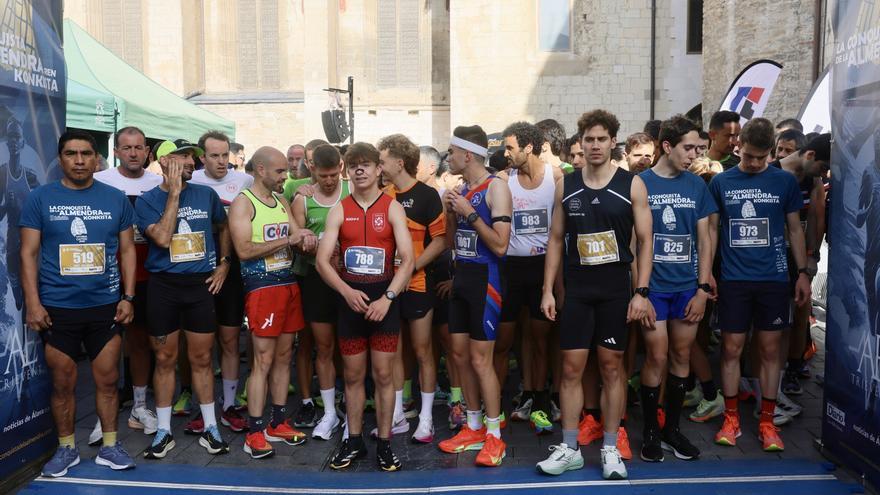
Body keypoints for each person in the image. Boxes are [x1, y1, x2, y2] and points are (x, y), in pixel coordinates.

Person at [536, 109, 654, 480]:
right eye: (589, 139)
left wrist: (642, 292)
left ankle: (608, 447)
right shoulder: (565, 186)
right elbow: (555, 240)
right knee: (570, 369)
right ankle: (570, 448)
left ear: (613, 142)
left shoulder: (631, 184)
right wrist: (548, 291)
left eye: (602, 139)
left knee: (611, 369)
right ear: (580, 143)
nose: (596, 145)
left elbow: (647, 241)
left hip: (615, 291)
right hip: (578, 290)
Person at [21, 130, 137, 476]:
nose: (80, 160)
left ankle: (110, 446)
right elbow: (27, 254)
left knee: (106, 382)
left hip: (105, 307)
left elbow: (129, 250)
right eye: (71, 153)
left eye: (86, 153)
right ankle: (67, 449)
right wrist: (33, 303)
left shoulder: (115, 198)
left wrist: (129, 297)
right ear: (60, 158)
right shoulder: (41, 199)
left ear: (97, 159)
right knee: (63, 383)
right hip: (58, 308)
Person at [708, 118, 812, 453]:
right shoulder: (722, 181)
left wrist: (803, 273)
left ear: (771, 152)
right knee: (731, 348)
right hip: (734, 280)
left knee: (769, 351)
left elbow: (795, 229)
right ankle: (732, 418)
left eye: (761, 157)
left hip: (772, 279)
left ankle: (767, 421)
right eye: (749, 156)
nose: (754, 163)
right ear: (739, 148)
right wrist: (707, 273)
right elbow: (711, 231)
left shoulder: (784, 181)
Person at [317, 142, 414, 472]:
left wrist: (388, 298)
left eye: (366, 164)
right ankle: (354, 439)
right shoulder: (340, 209)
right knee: (354, 377)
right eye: (353, 165)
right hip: (352, 303)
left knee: (384, 375)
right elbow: (321, 261)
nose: (359, 169)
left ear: (378, 169)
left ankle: (385, 443)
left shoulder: (392, 208)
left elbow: (408, 260)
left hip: (383, 302)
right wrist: (345, 291)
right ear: (348, 170)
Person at [136, 139, 232, 459]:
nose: (192, 162)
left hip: (199, 286)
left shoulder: (207, 194)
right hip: (164, 287)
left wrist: (224, 264)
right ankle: (164, 430)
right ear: (164, 162)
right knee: (164, 359)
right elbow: (162, 239)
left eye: (193, 157)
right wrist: (174, 193)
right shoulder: (148, 200)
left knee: (203, 360)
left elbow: (224, 226)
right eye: (183, 157)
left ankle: (210, 427)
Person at [228, 146, 316, 459]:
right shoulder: (243, 203)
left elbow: (297, 238)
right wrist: (288, 240)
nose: (285, 176)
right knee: (262, 362)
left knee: (283, 358)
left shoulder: (281, 201)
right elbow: (243, 250)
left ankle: (277, 422)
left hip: (288, 284)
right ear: (261, 170)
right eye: (279, 171)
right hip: (261, 288)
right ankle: (254, 430)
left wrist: (308, 241)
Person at [637, 115, 715, 462]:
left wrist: (702, 289)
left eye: (698, 148)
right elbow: (632, 244)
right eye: (688, 147)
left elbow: (705, 238)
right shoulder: (640, 183)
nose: (693, 154)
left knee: (682, 356)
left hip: (687, 287)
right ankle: (650, 431)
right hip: (653, 287)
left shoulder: (697, 185)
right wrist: (638, 292)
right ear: (667, 146)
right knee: (656, 356)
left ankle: (673, 429)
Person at [437, 125, 512, 467]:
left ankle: (495, 436)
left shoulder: (496, 187)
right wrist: (452, 214)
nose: (447, 157)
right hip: (463, 279)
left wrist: (468, 211)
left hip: (486, 281)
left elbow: (500, 244)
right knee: (460, 356)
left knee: (481, 360)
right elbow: (453, 243)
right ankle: (473, 426)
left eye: (451, 152)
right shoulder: (463, 189)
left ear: (468, 154)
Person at [92, 126, 161, 444]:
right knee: (104, 344)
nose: (133, 153)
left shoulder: (158, 183)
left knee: (139, 341)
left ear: (147, 151)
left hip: (147, 274)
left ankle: (140, 407)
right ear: (116, 151)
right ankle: (101, 414)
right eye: (126, 148)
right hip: (105, 274)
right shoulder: (101, 182)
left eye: (139, 147)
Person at [496, 122, 563, 435]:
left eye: (510, 147)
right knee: (506, 340)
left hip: (543, 268)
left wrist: (556, 282)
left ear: (529, 147)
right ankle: (505, 402)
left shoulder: (556, 178)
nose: (505, 153)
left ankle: (541, 400)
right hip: (510, 268)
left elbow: (561, 233)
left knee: (540, 338)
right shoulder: (504, 180)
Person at [379, 134, 447, 443]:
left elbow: (441, 242)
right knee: (393, 352)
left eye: (382, 160)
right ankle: (396, 417)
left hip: (418, 284)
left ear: (399, 162)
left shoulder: (427, 196)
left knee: (422, 351)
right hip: (390, 287)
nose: (379, 166)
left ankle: (427, 418)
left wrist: (411, 270)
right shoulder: (383, 195)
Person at [187, 131, 254, 434]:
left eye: (225, 154)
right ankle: (203, 406)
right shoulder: (192, 181)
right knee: (200, 345)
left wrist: (303, 189)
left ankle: (228, 405)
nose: (221, 161)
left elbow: (274, 193)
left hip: (232, 268)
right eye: (214, 155)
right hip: (196, 268)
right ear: (202, 157)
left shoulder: (244, 181)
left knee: (229, 339)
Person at [290, 144, 350, 438]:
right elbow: (297, 236)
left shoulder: (352, 191)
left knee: (348, 345)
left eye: (333, 175)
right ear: (313, 170)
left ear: (341, 168)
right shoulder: (303, 198)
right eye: (323, 176)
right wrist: (308, 241)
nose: (329, 181)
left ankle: (344, 402)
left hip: (350, 277)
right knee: (317, 344)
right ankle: (319, 407)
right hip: (314, 277)